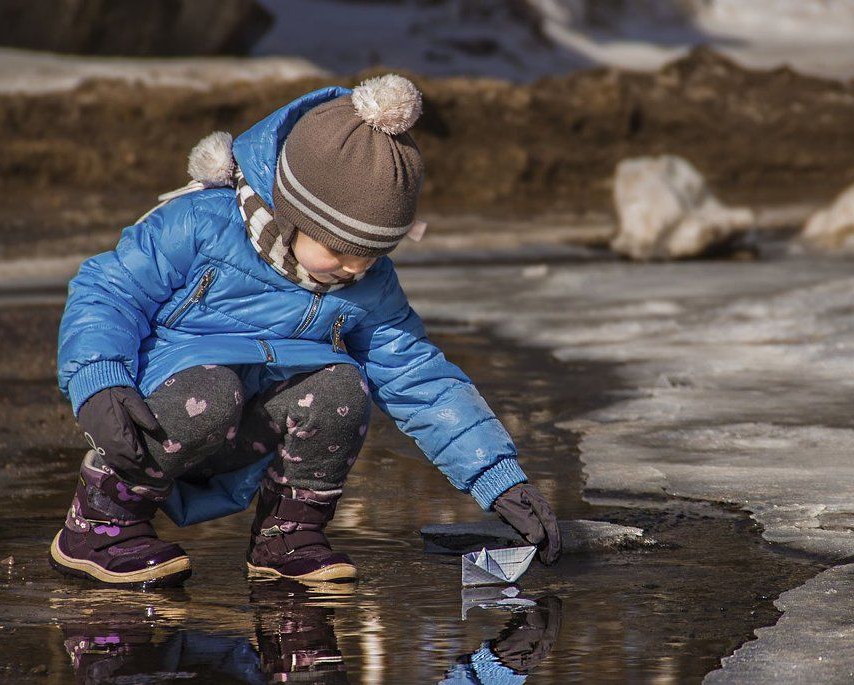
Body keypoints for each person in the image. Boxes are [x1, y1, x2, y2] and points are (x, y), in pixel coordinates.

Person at [50, 74, 562, 587]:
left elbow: (417, 377)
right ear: (291, 215)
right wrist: (99, 379)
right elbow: (108, 291)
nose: (351, 270)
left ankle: (288, 535)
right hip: (160, 410)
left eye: (370, 256)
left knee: (341, 386)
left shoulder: (369, 285)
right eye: (337, 250)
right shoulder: (200, 225)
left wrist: (497, 478)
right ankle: (99, 526)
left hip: (252, 422)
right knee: (213, 389)